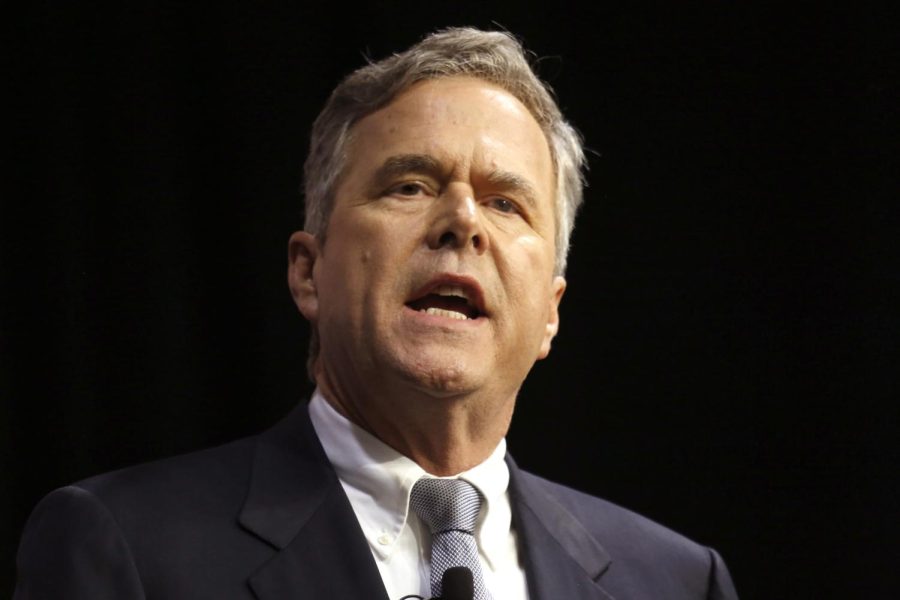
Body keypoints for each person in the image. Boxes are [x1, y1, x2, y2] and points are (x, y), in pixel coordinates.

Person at [14, 28, 738, 599]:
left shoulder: (675, 581)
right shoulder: (126, 546)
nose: (462, 220)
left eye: (505, 202)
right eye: (410, 186)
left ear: (551, 312)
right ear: (308, 273)